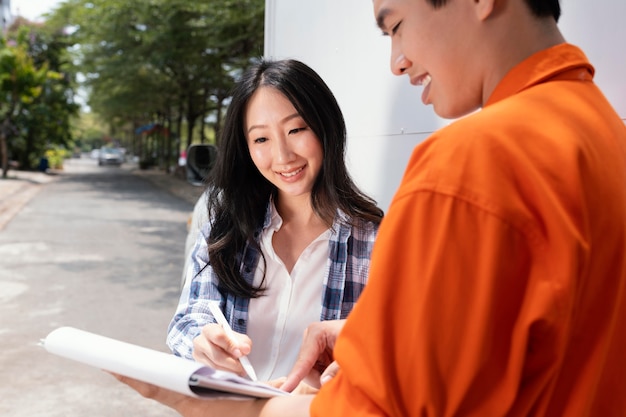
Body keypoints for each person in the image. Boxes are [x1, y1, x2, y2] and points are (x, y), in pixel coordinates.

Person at [116, 0, 626, 415]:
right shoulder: (607, 135)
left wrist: (247, 412)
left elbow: (398, 405)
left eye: (396, 25)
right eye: (260, 140)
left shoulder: (468, 165)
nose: (397, 61)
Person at [166, 58, 384, 382]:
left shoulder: (375, 242)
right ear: (246, 148)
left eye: (296, 129)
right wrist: (202, 341)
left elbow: (396, 344)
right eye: (261, 139)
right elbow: (187, 320)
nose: (283, 156)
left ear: (326, 127)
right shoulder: (226, 227)